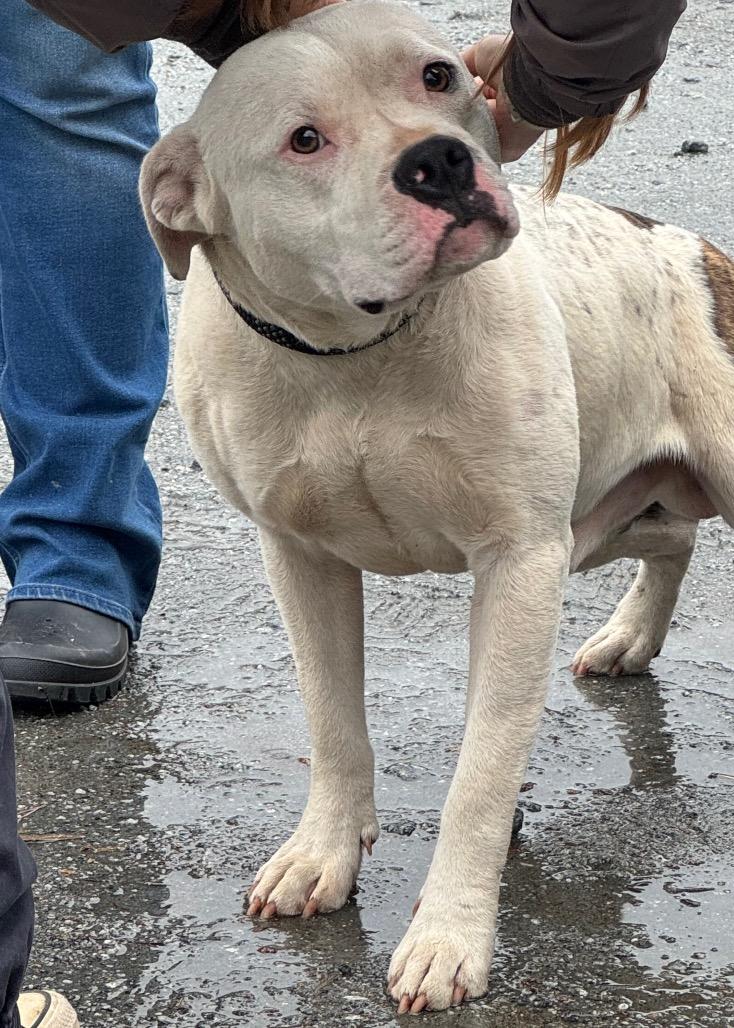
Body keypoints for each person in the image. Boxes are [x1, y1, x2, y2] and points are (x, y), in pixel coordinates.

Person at [0, 1, 687, 1024]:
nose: (428, 150)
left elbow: (521, 548)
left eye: (436, 83)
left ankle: (76, 538)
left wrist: (547, 79)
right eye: (308, 143)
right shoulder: (218, 322)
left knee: (57, 72)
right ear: (184, 207)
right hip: (274, 337)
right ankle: (89, 564)